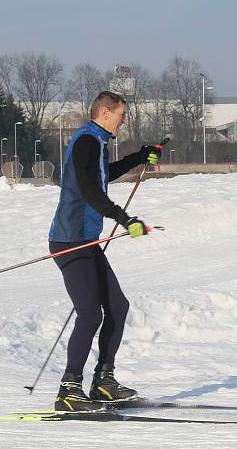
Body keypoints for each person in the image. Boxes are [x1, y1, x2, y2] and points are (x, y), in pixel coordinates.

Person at [48, 90, 162, 412]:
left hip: (86, 239)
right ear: (105, 113)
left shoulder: (97, 142)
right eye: (122, 115)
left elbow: (104, 175)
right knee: (90, 312)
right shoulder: (86, 141)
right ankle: (69, 389)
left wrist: (139, 157)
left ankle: (103, 382)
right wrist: (124, 219)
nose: (124, 121)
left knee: (118, 306)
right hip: (70, 241)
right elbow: (89, 190)